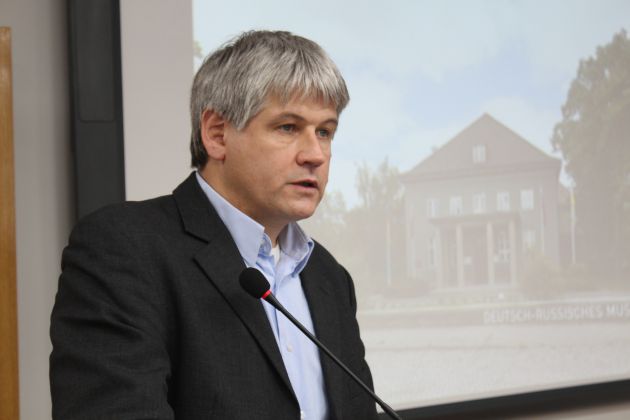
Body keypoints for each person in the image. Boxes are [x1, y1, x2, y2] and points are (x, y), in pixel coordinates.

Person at [50, 30, 378, 420]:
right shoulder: (123, 249)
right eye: (288, 127)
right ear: (217, 134)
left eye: (325, 132)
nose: (315, 155)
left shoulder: (329, 277)